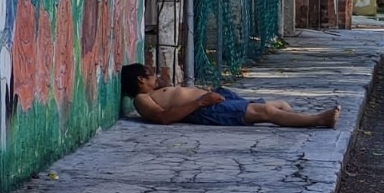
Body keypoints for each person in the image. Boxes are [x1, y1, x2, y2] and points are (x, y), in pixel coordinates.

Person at [120, 64, 340, 128]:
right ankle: (319, 119)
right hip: (206, 109)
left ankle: (294, 120)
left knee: (281, 104)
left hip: (213, 99)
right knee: (265, 111)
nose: (154, 75)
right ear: (140, 79)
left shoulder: (155, 91)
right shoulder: (141, 99)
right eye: (149, 74)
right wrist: (201, 102)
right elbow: (163, 118)